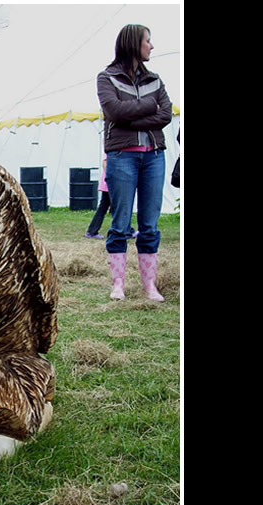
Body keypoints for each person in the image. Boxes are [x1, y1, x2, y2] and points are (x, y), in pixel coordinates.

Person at [97, 24, 172, 301]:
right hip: (122, 156)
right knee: (120, 223)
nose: (151, 46)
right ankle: (118, 284)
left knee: (150, 223)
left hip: (153, 155)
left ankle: (149, 286)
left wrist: (133, 117)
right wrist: (148, 107)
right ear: (133, 44)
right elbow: (114, 111)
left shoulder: (155, 79)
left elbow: (165, 114)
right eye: (147, 41)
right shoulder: (106, 78)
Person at [85, 154, 138, 240]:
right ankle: (128, 230)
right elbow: (105, 162)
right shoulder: (112, 151)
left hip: (109, 184)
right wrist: (111, 177)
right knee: (117, 207)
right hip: (111, 184)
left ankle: (92, 231)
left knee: (106, 207)